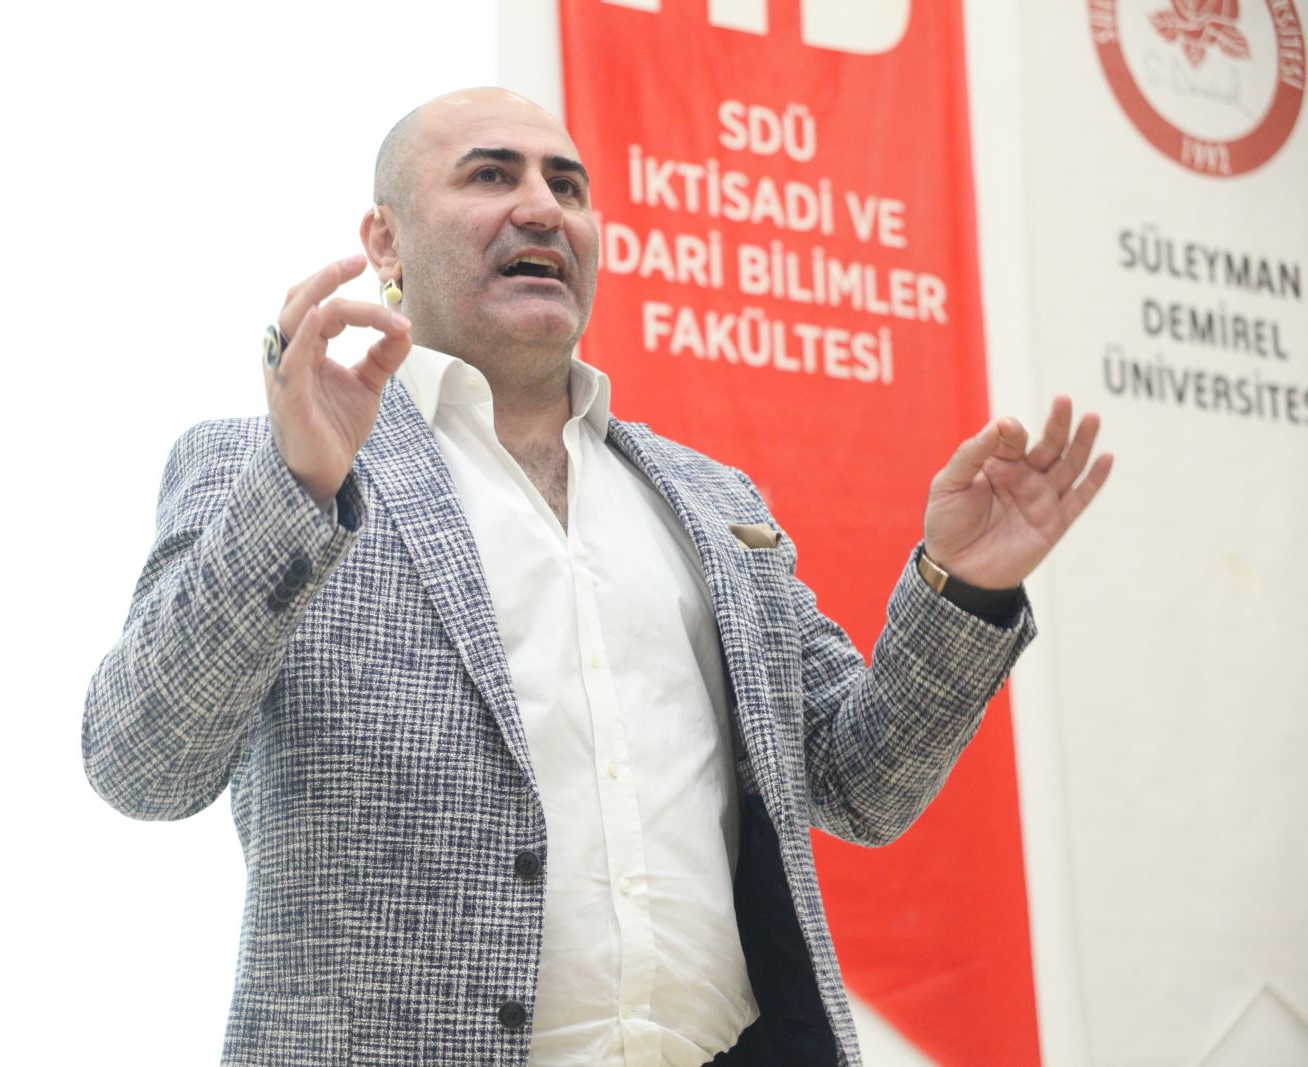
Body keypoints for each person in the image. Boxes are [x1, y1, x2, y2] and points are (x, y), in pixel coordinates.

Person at [82, 87, 1112, 1067]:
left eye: (566, 185)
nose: (542, 207)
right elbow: (142, 763)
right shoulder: (265, 468)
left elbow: (860, 782)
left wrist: (961, 587)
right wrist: (299, 486)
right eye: (490, 175)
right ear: (386, 242)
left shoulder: (712, 500)